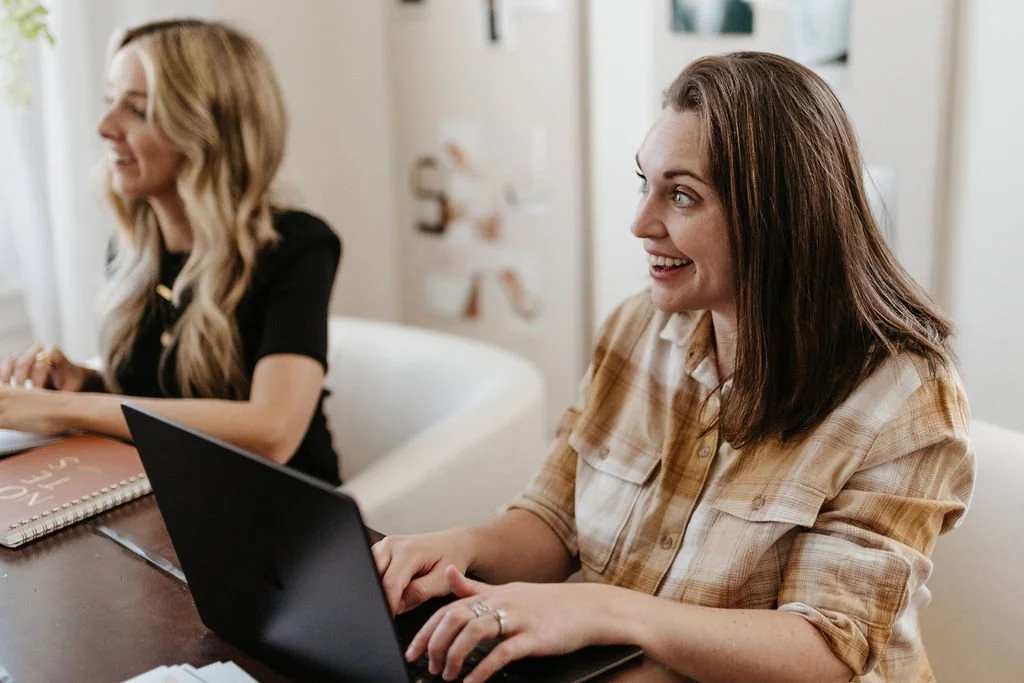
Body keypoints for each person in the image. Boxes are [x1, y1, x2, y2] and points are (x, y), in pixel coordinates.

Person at [373, 52, 974, 683]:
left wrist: (601, 608)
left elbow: (825, 650)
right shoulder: (637, 328)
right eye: (645, 183)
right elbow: (554, 520)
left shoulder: (908, 398)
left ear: (777, 216)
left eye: (681, 195)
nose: (640, 223)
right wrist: (455, 550)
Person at [0, 19, 343, 485]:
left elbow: (272, 432)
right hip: (169, 498)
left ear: (207, 131)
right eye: (109, 102)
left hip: (283, 516)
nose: (104, 127)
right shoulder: (131, 250)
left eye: (138, 110)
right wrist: (85, 382)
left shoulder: (296, 246)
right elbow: (162, 395)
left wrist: (63, 408)